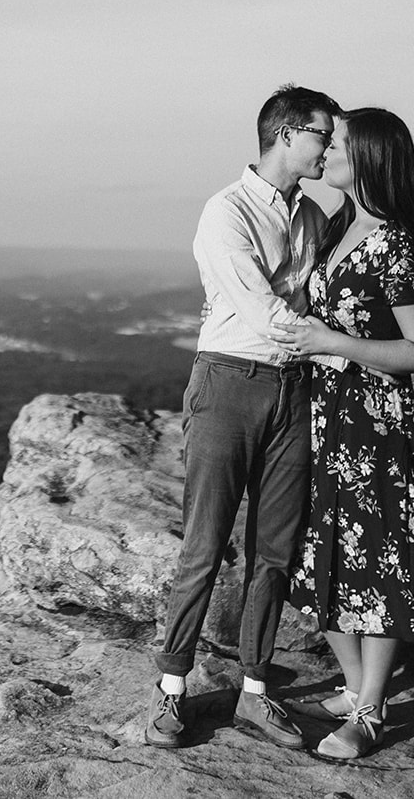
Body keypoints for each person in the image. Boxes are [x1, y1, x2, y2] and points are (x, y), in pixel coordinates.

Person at [145, 84, 340, 750]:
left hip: (293, 388)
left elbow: (321, 295)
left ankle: (256, 692)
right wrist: (346, 353)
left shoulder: (311, 216)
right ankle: (171, 690)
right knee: (204, 544)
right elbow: (267, 313)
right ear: (287, 133)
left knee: (275, 551)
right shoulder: (224, 212)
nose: (330, 146)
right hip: (230, 382)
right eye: (323, 134)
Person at [281, 107, 414, 760]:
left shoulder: (395, 243)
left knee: (379, 564)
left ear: (371, 157)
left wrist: (333, 339)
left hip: (374, 424)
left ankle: (370, 709)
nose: (323, 149)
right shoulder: (339, 229)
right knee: (322, 555)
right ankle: (358, 682)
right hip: (326, 416)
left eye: (337, 142)